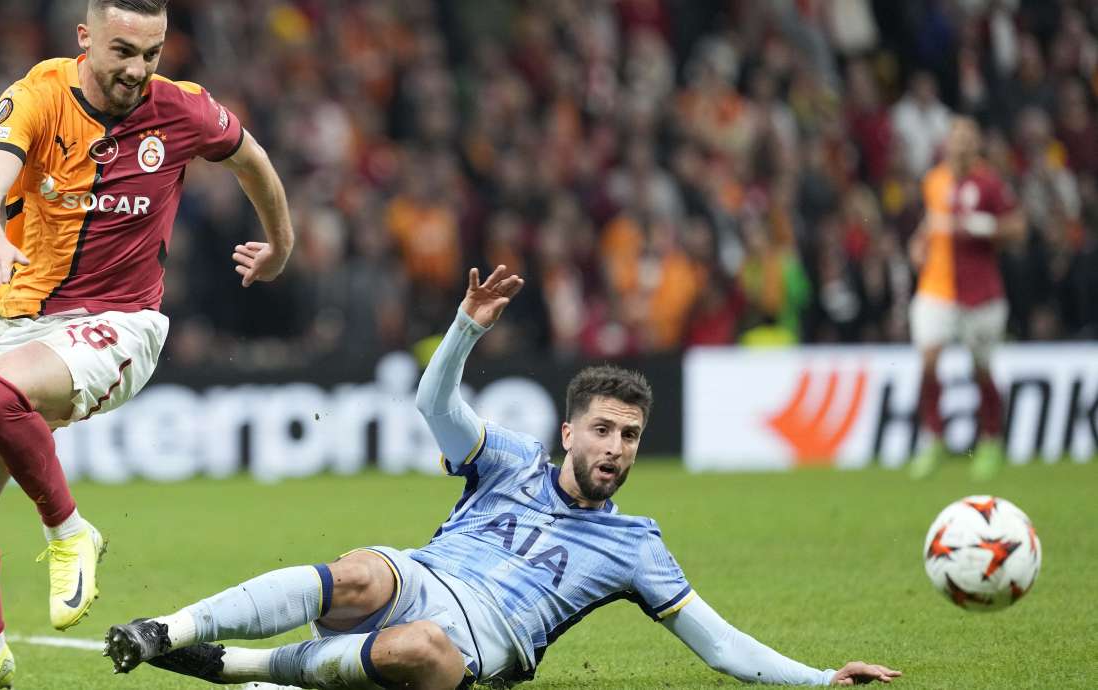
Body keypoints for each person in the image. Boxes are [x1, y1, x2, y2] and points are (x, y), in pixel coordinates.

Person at [102, 266, 900, 689]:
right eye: (601, 430)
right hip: (421, 577)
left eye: (628, 436)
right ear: (568, 433)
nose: (614, 448)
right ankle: (169, 633)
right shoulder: (512, 461)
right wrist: (463, 330)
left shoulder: (635, 548)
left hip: (468, 649)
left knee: (423, 648)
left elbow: (720, 647)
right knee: (362, 568)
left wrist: (824, 678)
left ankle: (242, 666)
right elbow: (430, 399)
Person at [0, 1, 295, 687]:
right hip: (24, 322)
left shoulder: (180, 110)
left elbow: (254, 161)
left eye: (152, 54)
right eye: (122, 51)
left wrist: (281, 245)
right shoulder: (38, 96)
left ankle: (70, 531)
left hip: (123, 322)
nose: (137, 70)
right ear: (85, 38)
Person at [906, 117, 1026, 481]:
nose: (960, 146)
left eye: (967, 140)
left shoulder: (989, 183)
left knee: (981, 368)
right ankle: (934, 438)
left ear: (976, 146)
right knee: (928, 361)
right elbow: (932, 222)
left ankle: (990, 441)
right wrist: (918, 242)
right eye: (955, 139)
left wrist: (983, 226)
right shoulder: (934, 181)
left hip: (980, 292)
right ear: (947, 144)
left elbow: (1017, 228)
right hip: (936, 289)